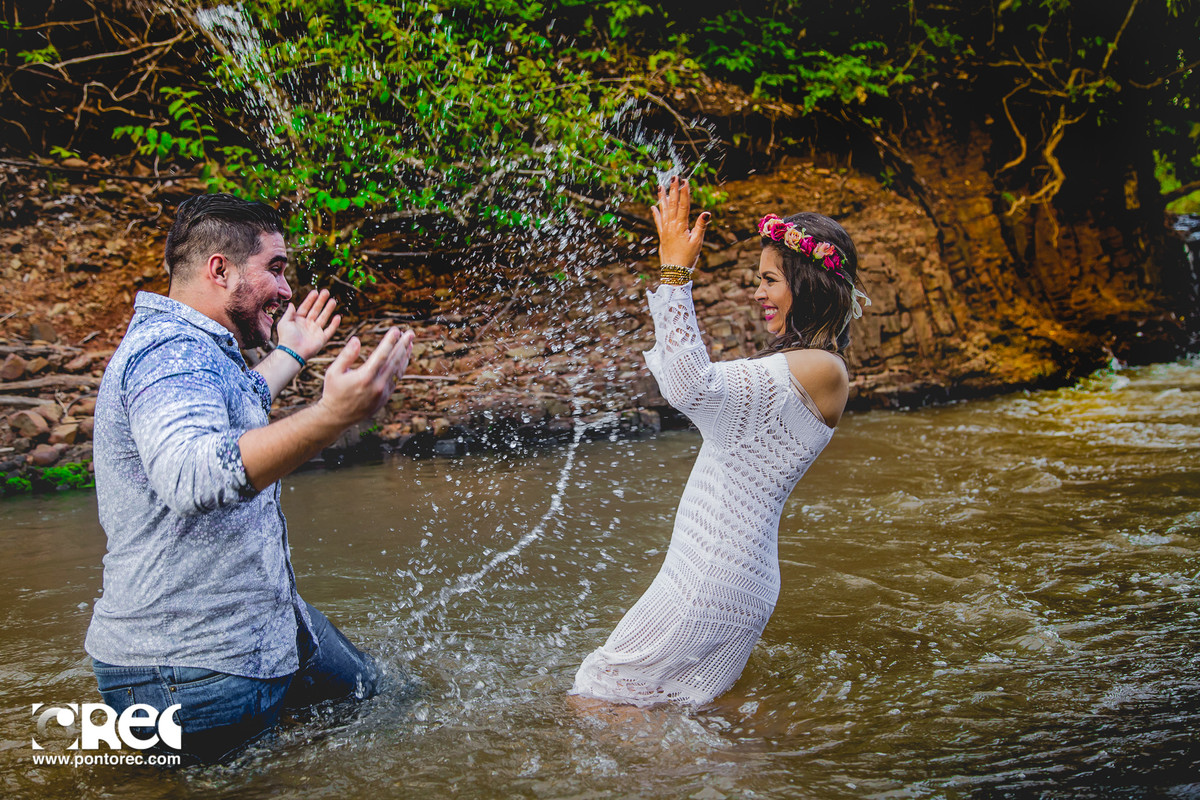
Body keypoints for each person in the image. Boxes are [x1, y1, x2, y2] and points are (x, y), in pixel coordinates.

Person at [84, 193, 415, 763]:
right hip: (188, 673)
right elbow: (193, 474)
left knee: (389, 699)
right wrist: (333, 416)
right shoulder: (170, 355)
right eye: (276, 270)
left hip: (262, 628)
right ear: (221, 269)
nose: (287, 291)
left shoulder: (199, 349)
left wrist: (290, 352)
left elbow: (239, 406)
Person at [571, 177, 869, 706]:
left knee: (598, 696)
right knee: (667, 709)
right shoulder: (810, 368)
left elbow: (689, 384)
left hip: (715, 572)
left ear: (809, 283)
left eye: (770, 279)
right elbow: (688, 386)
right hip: (719, 568)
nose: (758, 293)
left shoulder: (820, 369)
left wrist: (675, 274)